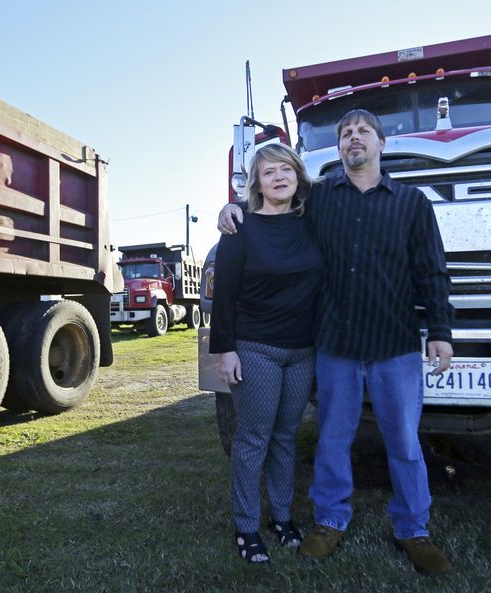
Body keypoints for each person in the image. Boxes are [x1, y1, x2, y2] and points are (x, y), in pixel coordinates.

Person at [217, 109, 454, 574]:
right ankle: (328, 521)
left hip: (395, 343)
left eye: (363, 131)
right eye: (345, 133)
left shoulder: (412, 203)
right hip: (337, 346)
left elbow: (431, 270)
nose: (353, 138)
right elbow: (270, 209)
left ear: (382, 143)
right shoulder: (320, 200)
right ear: (339, 148)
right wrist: (232, 209)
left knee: (405, 442)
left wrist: (441, 332)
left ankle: (414, 530)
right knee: (332, 441)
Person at [210, 143, 324, 564]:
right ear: (256, 183)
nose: (278, 177)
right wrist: (226, 351)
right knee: (252, 438)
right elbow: (224, 296)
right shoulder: (240, 229)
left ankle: (281, 517)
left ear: (298, 176)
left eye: (285, 169)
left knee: (285, 437)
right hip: (255, 348)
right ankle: (245, 527)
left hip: (302, 350)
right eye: (268, 172)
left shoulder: (312, 223)